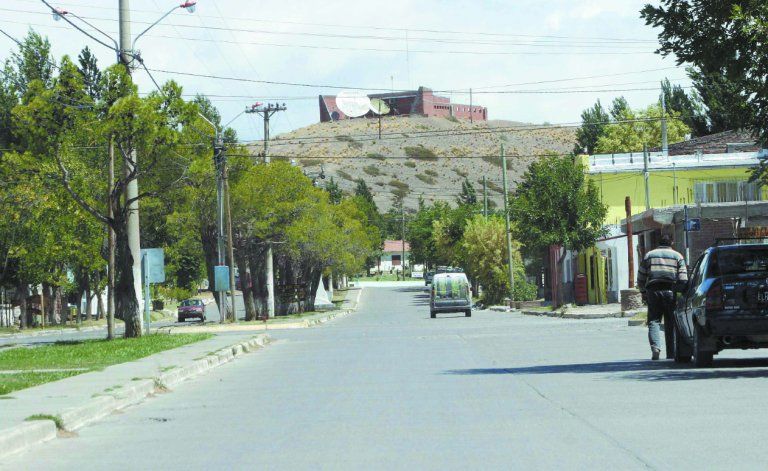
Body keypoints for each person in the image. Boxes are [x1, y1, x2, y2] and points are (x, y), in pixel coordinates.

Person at [637, 233, 688, 360]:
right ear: (672, 242)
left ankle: (655, 348)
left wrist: (643, 292)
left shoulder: (649, 255)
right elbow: (683, 278)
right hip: (670, 291)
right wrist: (680, 293)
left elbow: (641, 277)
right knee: (670, 322)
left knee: (654, 321)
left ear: (659, 242)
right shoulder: (678, 256)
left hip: (653, 291)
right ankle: (670, 353)